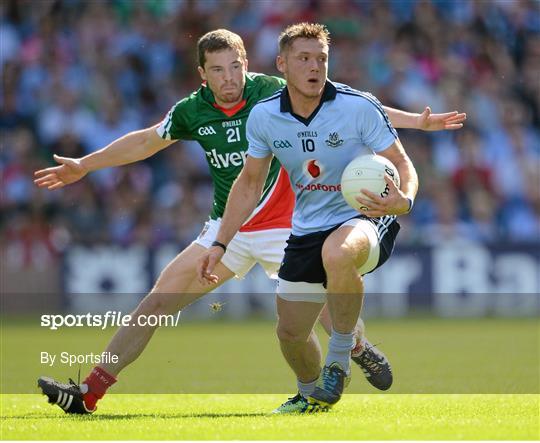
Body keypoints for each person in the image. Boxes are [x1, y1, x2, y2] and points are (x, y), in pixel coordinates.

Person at [35, 29, 463, 415]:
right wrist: (86, 166)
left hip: (289, 227)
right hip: (228, 229)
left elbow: (353, 106)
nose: (229, 77)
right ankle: (89, 392)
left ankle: (357, 349)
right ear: (203, 74)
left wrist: (414, 122)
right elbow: (146, 141)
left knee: (326, 319)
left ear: (247, 63)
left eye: (236, 66)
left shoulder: (271, 93)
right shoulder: (192, 110)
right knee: (158, 302)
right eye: (218, 70)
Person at [198, 23, 419, 412]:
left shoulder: (358, 106)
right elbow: (248, 185)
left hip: (367, 216)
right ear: (282, 64)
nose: (315, 66)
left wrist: (404, 200)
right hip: (307, 228)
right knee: (290, 333)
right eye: (303, 58)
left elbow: (402, 163)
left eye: (321, 59)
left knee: (337, 253)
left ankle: (337, 363)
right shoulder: (265, 117)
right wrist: (220, 243)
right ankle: (312, 393)